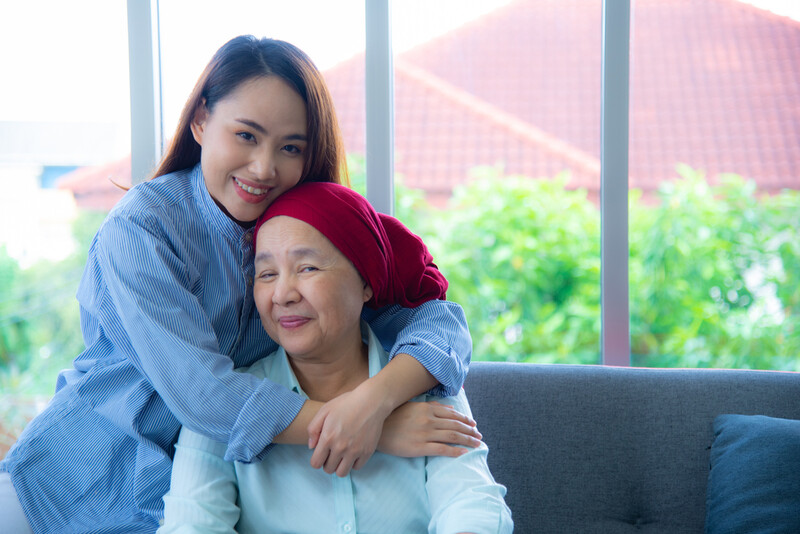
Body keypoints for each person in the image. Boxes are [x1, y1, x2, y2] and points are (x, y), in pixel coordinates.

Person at [0, 36, 479, 533]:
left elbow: (439, 320)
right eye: (247, 135)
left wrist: (374, 402)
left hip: (190, 497)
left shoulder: (308, 228)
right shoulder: (142, 227)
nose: (264, 167)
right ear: (202, 120)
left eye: (290, 147)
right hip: (72, 484)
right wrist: (370, 429)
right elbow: (205, 394)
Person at [158, 181, 513, 534]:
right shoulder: (225, 405)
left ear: (365, 282)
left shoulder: (425, 381)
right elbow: (191, 523)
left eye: (307, 268)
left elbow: (472, 503)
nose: (282, 294)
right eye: (267, 274)